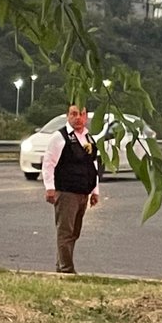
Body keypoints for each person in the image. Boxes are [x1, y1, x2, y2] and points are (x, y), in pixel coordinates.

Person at [41, 104, 100, 274]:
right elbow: (49, 163)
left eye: (81, 114)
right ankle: (67, 269)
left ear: (86, 116)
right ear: (68, 116)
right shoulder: (60, 137)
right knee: (65, 232)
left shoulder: (88, 138)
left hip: (83, 192)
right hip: (66, 192)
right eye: (74, 114)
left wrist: (95, 191)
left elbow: (93, 165)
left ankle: (61, 266)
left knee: (74, 232)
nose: (78, 118)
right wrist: (50, 188)